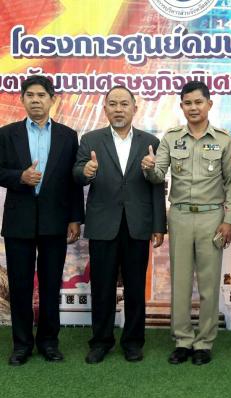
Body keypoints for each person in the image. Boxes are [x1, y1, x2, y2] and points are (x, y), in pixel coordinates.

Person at [141, 81, 231, 365]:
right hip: (180, 216)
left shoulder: (224, 139)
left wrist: (229, 220)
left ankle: (204, 342)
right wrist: (149, 168)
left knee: (209, 284)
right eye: (187, 103)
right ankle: (183, 340)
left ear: (209, 104)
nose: (193, 107)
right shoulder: (171, 138)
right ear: (181, 106)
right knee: (180, 283)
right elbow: (158, 176)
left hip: (212, 217)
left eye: (198, 102)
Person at [73, 86, 166, 364]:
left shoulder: (150, 141)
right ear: (105, 109)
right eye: (112, 104)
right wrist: (86, 172)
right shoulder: (91, 139)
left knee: (135, 287)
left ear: (135, 108)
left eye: (124, 104)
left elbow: (157, 185)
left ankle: (133, 342)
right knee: (102, 287)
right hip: (104, 224)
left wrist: (159, 225)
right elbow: (76, 173)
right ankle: (100, 342)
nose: (118, 109)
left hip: (138, 224)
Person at [0, 75, 84, 366]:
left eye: (41, 95)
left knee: (50, 285)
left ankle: (49, 342)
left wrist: (75, 218)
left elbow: (73, 181)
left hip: (55, 220)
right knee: (20, 286)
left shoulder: (67, 135)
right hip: (19, 221)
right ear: (22, 99)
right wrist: (19, 177)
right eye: (30, 95)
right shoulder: (6, 133)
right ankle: (22, 345)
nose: (36, 100)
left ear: (52, 100)